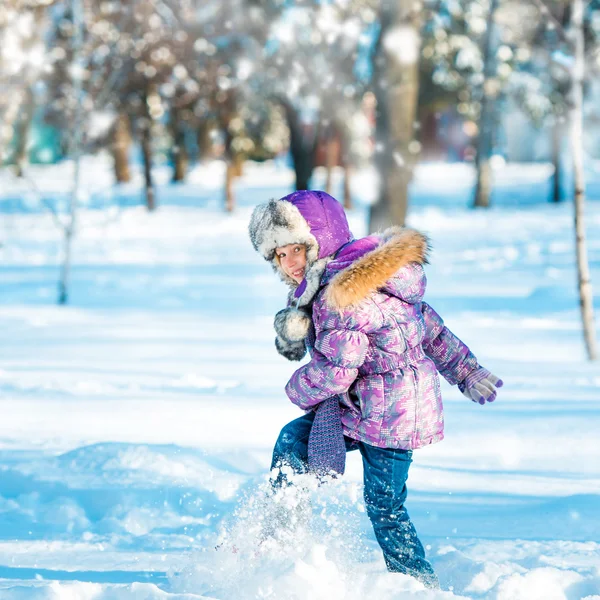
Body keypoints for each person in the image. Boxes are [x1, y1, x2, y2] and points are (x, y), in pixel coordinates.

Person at [248, 190, 503, 589]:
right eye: (278, 256)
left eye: (295, 249)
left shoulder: (340, 296)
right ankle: (280, 536)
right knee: (292, 442)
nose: (289, 263)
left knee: (384, 505)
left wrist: (296, 388)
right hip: (363, 408)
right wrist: (467, 372)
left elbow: (337, 370)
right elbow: (430, 328)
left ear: (320, 242)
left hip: (392, 415)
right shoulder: (346, 280)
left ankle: (419, 584)